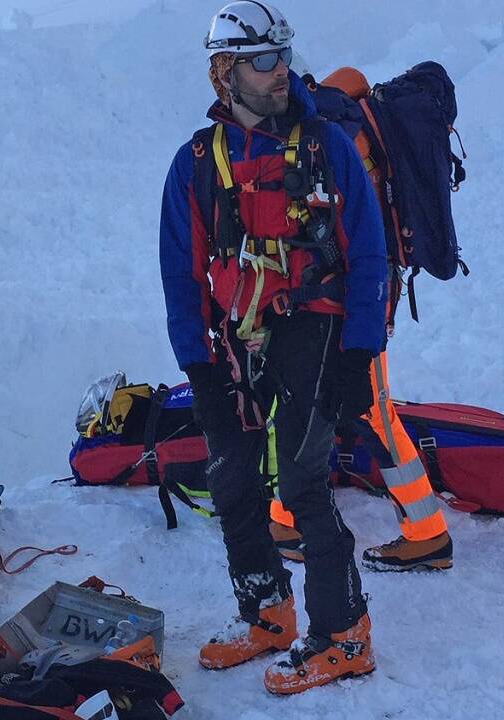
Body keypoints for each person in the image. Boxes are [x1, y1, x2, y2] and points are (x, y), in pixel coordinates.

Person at [158, 0, 384, 694]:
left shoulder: (327, 148)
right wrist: (198, 365)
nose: (280, 71)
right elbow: (180, 271)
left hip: (314, 327)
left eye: (283, 55)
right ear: (224, 73)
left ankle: (345, 634)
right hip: (235, 339)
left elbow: (370, 255)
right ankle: (267, 613)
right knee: (230, 474)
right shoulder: (196, 163)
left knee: (302, 482)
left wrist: (356, 359)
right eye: (263, 60)